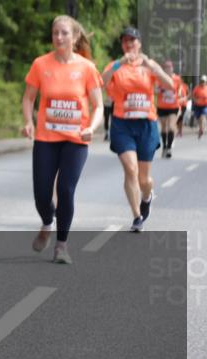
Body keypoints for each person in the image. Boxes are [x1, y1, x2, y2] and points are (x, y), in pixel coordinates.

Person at [20, 16, 103, 264]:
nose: (59, 37)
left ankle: (61, 245)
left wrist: (92, 127)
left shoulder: (87, 68)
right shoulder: (40, 64)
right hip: (46, 138)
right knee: (42, 195)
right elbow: (28, 98)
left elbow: (98, 105)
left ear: (74, 37)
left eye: (64, 33)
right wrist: (28, 121)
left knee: (66, 189)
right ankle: (47, 222)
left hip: (76, 140)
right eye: (55, 32)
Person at [101, 27, 173, 232]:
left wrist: (153, 67)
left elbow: (169, 85)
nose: (129, 44)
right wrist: (119, 63)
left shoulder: (149, 65)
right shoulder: (116, 65)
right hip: (122, 124)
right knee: (130, 169)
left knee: (144, 179)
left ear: (139, 43)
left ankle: (147, 196)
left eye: (132, 40)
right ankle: (137, 216)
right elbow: (100, 82)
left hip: (146, 124)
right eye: (125, 41)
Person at [155, 60, 184, 158]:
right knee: (163, 127)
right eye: (166, 67)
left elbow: (180, 91)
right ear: (164, 69)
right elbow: (155, 90)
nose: (168, 69)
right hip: (161, 106)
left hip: (173, 106)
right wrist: (161, 90)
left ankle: (169, 148)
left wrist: (179, 96)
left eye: (169, 67)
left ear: (172, 68)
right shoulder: (160, 78)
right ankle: (164, 146)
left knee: (171, 127)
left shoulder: (177, 79)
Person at [193, 75, 207, 140]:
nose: (202, 82)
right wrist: (195, 100)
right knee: (198, 119)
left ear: (206, 82)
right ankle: (201, 128)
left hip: (204, 106)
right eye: (201, 81)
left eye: (203, 81)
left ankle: (201, 130)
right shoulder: (197, 88)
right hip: (197, 106)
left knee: (202, 117)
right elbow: (193, 95)